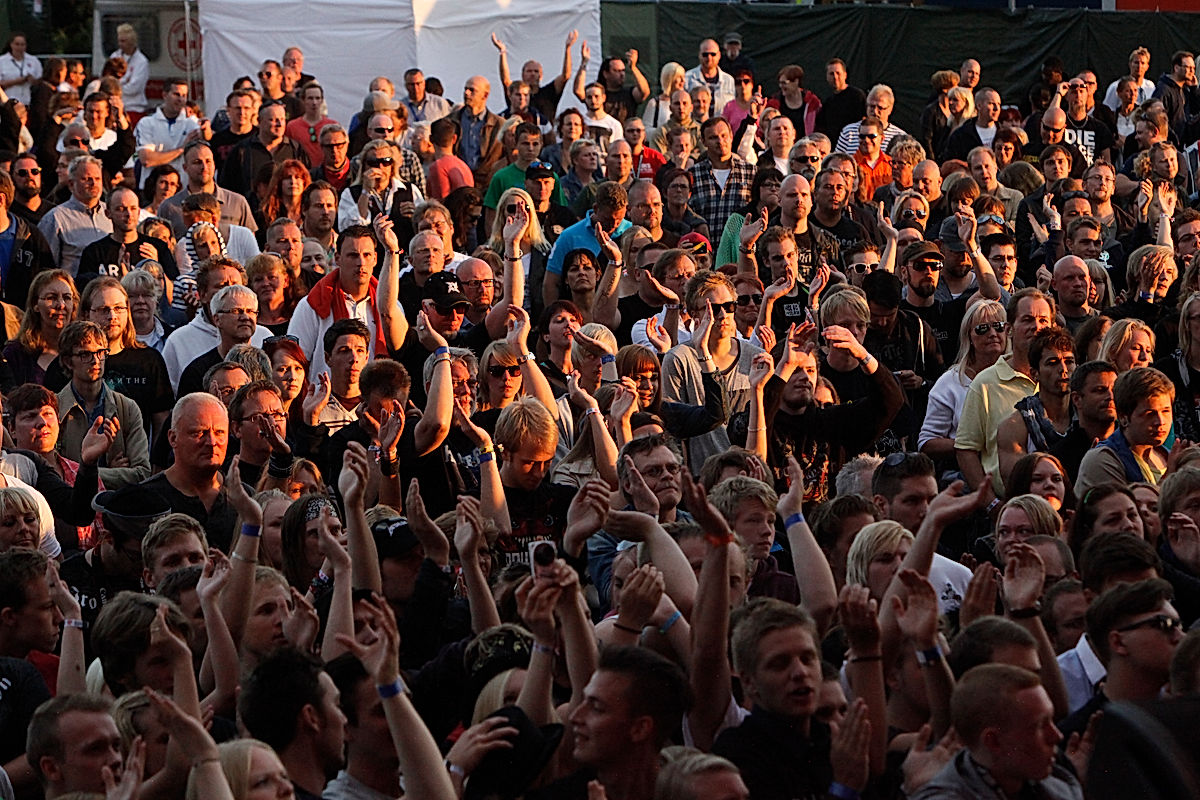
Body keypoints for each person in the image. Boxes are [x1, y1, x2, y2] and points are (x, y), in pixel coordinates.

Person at [910, 664, 1082, 800]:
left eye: (1051, 720)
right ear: (993, 741)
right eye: (1039, 726)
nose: (1056, 736)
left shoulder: (1061, 788)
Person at [956, 288, 1054, 494]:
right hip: (1006, 502)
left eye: (1043, 321)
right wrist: (990, 503)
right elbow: (966, 451)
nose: (1036, 327)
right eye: (1027, 320)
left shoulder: (1065, 379)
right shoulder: (985, 384)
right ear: (1009, 328)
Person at [289, 222, 398, 381]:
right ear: (337, 258)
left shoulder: (391, 307)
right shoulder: (311, 305)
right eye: (353, 255)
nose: (361, 262)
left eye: (367, 255)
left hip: (375, 394)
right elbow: (293, 361)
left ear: (375, 259)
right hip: (324, 394)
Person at [138, 392, 240, 551]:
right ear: (173, 438)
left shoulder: (243, 500)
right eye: (199, 433)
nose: (211, 442)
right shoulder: (145, 500)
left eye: (219, 432)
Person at [995, 327, 1077, 487]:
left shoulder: (1087, 415)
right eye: (1052, 363)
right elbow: (1017, 486)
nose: (1063, 369)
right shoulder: (1014, 427)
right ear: (1035, 373)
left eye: (1069, 362)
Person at [1076, 366, 1174, 498]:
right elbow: (1129, 508)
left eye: (1166, 411)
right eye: (1149, 414)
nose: (1160, 421)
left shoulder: (1168, 456)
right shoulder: (1103, 460)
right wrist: (1171, 475)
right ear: (1123, 417)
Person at [37, 154, 112, 277]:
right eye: (86, 179)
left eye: (97, 178)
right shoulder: (55, 219)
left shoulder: (112, 213)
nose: (93, 183)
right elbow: (46, 268)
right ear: (71, 184)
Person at [688, 117, 754, 238]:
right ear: (703, 141)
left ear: (731, 136)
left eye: (724, 136)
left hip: (740, 246)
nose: (720, 141)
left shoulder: (751, 172)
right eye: (713, 137)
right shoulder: (692, 175)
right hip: (705, 246)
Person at [133, 78, 202, 188]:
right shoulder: (146, 123)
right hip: (152, 190)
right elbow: (147, 159)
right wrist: (181, 149)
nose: (180, 99)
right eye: (176, 94)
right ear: (164, 95)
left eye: (184, 95)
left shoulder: (191, 123)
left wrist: (207, 128)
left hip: (181, 189)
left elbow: (207, 138)